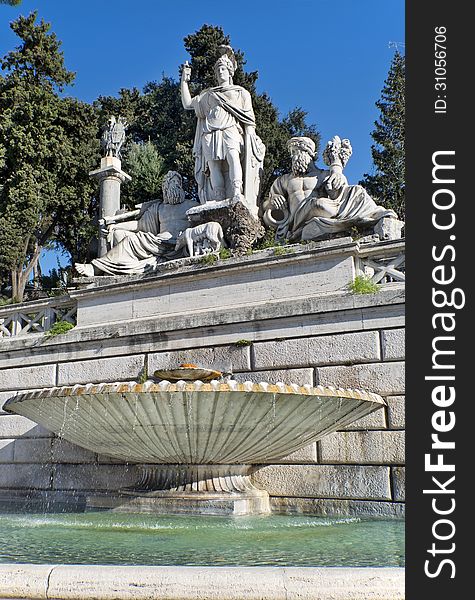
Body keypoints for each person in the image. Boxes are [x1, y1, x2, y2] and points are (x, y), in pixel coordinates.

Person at [263, 136, 397, 242]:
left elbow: (337, 194)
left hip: (321, 210)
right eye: (292, 152)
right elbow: (266, 207)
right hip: (296, 220)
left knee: (356, 190)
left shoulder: (323, 175)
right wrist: (274, 199)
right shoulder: (284, 180)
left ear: (311, 154)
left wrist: (336, 177)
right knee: (317, 203)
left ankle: (373, 214)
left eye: (299, 152)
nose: (294, 156)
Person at [180, 46, 264, 208]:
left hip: (231, 129)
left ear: (230, 71)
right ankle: (218, 198)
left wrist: (251, 141)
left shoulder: (241, 93)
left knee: (233, 159)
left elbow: (249, 120)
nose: (220, 72)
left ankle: (236, 192)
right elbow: (188, 103)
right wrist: (184, 81)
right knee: (213, 166)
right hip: (210, 132)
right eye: (218, 70)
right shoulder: (209, 94)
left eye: (223, 69)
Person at [75, 171, 197, 276]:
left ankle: (95, 268)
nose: (177, 185)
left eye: (179, 183)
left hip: (179, 244)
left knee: (133, 240)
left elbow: (201, 225)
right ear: (165, 187)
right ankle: (108, 268)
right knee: (121, 234)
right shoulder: (159, 208)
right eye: (173, 182)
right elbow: (139, 225)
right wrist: (115, 226)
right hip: (157, 243)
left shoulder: (191, 205)